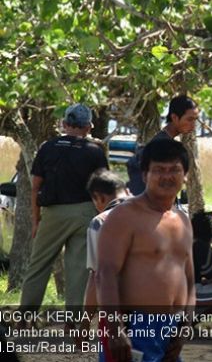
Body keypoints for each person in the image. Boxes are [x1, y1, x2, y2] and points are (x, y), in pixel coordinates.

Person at [97, 138, 195, 362]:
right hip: (136, 328)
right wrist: (115, 329)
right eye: (158, 170)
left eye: (174, 170)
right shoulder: (124, 216)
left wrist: (185, 325)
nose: (167, 176)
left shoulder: (183, 220)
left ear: (185, 175)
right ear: (144, 175)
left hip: (172, 329)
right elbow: (105, 274)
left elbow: (189, 279)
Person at [20, 103, 108, 315]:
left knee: (38, 264)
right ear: (88, 127)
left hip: (53, 213)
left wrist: (36, 220)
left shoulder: (48, 147)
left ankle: (24, 316)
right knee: (79, 269)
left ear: (65, 124)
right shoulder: (94, 152)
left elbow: (35, 186)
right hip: (85, 212)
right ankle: (74, 321)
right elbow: (103, 188)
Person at [127, 95, 200, 195]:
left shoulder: (164, 140)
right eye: (189, 119)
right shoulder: (162, 146)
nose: (193, 125)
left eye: (195, 120)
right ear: (174, 117)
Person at [84, 170, 130, 311]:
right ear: (127, 191)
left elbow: (96, 276)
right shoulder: (156, 213)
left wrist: (85, 324)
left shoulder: (100, 222)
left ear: (99, 197)